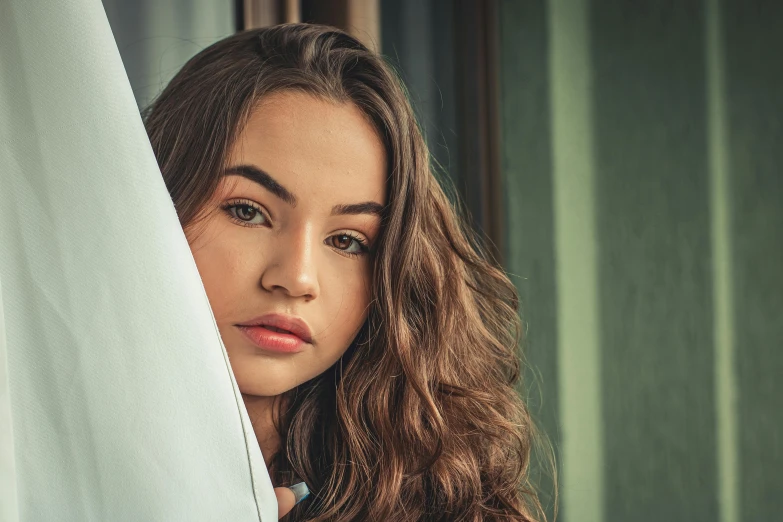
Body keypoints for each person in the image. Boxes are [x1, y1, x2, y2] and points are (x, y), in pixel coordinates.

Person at [144, 23, 544, 521]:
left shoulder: (445, 504)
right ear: (159, 202)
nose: (296, 278)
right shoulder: (28, 444)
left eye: (347, 241)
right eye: (248, 211)